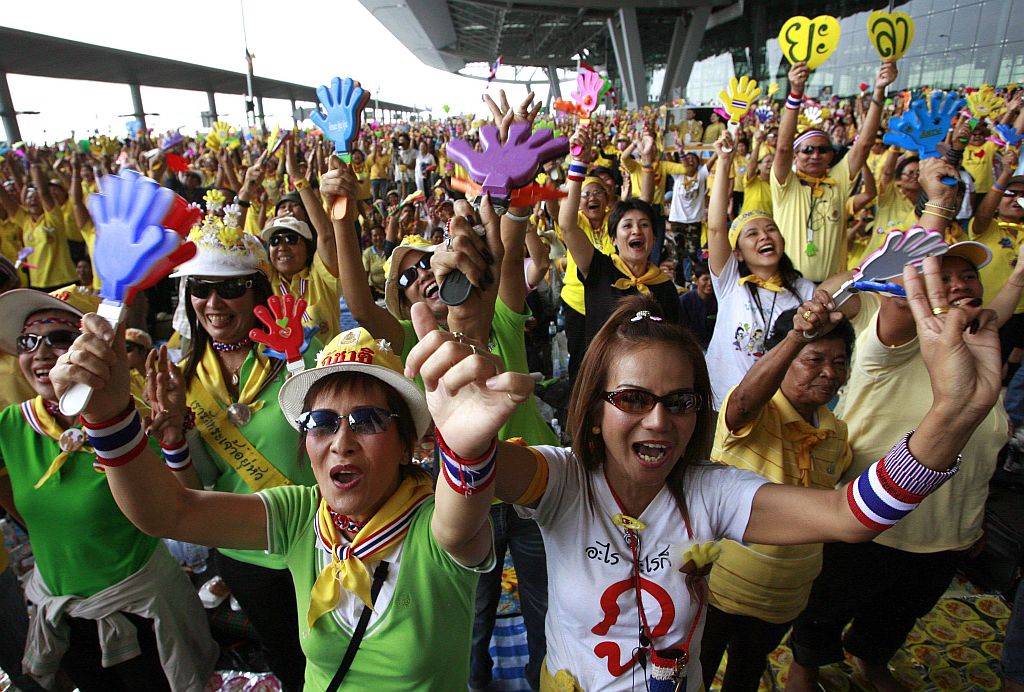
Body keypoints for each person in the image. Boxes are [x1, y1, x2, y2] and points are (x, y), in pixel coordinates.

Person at [400, 247, 1002, 690]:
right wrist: (464, 447)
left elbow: (851, 516)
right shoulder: (562, 482)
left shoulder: (712, 493)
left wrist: (952, 414)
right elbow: (459, 522)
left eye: (680, 403)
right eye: (633, 399)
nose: (658, 422)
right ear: (592, 410)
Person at [51, 318, 498, 690]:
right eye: (321, 423)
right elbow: (167, 513)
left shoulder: (432, 528)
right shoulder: (300, 516)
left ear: (405, 445)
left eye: (368, 421)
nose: (342, 443)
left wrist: (468, 451)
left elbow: (461, 515)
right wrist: (107, 416)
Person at [785, 160, 1020, 692]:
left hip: (947, 531)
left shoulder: (981, 348)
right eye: (944, 276)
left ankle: (870, 660)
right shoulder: (890, 341)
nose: (958, 286)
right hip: (872, 520)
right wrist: (937, 204)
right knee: (826, 606)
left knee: (897, 614)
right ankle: (803, 669)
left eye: (968, 277)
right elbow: (912, 278)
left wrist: (974, 517)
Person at [0, 287, 217, 691]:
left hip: (141, 613)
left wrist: (171, 438)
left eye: (61, 339)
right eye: (29, 342)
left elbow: (186, 505)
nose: (42, 353)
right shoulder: (11, 426)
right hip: (66, 618)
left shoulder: (126, 417)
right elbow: (13, 497)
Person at [168, 220, 320, 691]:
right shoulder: (184, 379)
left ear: (256, 291)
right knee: (286, 656)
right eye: (200, 289)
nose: (213, 304)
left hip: (318, 537)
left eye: (230, 288)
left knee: (337, 651)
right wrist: (174, 439)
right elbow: (196, 489)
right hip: (243, 546)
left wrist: (298, 366)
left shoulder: (296, 352)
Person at [700, 306, 854, 691]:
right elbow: (745, 401)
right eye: (814, 359)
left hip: (784, 598)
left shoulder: (836, 433)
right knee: (695, 672)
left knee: (746, 673)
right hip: (720, 587)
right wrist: (796, 336)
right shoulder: (755, 415)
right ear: (784, 360)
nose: (829, 372)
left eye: (839, 362)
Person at [707, 131, 815, 411]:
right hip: (723, 402)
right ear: (738, 252)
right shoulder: (731, 282)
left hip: (778, 408)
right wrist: (724, 160)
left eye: (771, 230)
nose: (764, 237)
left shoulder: (805, 290)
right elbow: (716, 226)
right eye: (752, 234)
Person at [772, 59, 897, 281]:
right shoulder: (784, 183)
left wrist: (879, 90)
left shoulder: (838, 180)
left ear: (831, 155)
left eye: (823, 149)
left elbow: (865, 144)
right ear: (795, 155)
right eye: (807, 150)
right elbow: (782, 148)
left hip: (830, 289)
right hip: (789, 286)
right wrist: (796, 92)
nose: (815, 155)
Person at [559, 123, 678, 357]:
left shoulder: (664, 287)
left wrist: (646, 162)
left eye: (644, 226)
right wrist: (578, 163)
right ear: (613, 238)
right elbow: (567, 225)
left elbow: (673, 345)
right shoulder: (600, 268)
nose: (636, 231)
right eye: (627, 226)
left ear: (654, 238)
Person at [677, 263, 717, 350]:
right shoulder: (684, 301)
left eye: (712, 279)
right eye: (705, 279)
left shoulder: (719, 301)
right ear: (696, 280)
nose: (709, 283)